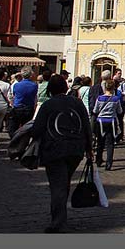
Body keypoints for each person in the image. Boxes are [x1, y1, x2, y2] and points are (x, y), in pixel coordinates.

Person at [29, 74, 93, 233]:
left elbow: (37, 130)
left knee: (58, 186)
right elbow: (86, 126)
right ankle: (59, 216)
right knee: (63, 183)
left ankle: (58, 222)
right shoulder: (77, 103)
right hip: (75, 150)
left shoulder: (48, 105)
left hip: (55, 149)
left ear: (50, 89)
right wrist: (89, 148)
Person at [92, 80, 124, 170]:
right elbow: (120, 111)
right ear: (113, 88)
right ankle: (109, 163)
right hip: (111, 121)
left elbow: (95, 110)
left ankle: (98, 160)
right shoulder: (116, 99)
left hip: (101, 121)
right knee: (110, 143)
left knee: (100, 142)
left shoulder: (99, 98)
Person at [9, 67, 38, 137]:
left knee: (14, 126)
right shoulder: (34, 85)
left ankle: (14, 139)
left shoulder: (16, 85)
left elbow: (14, 95)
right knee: (26, 128)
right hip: (28, 108)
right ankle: (23, 142)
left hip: (18, 107)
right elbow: (35, 97)